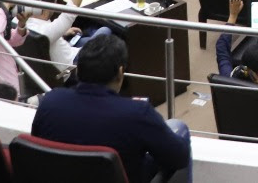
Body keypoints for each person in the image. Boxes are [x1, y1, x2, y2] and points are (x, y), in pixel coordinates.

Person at [31, 33, 191, 183]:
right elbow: (179, 158)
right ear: (121, 72)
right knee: (179, 128)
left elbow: (38, 149)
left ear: (78, 70)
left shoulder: (50, 102)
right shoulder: (138, 113)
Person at [27, 0, 103, 73]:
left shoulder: (24, 23)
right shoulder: (49, 31)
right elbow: (72, 7)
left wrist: (62, 32)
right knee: (105, 31)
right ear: (48, 8)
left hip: (66, 50)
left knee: (88, 35)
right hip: (72, 63)